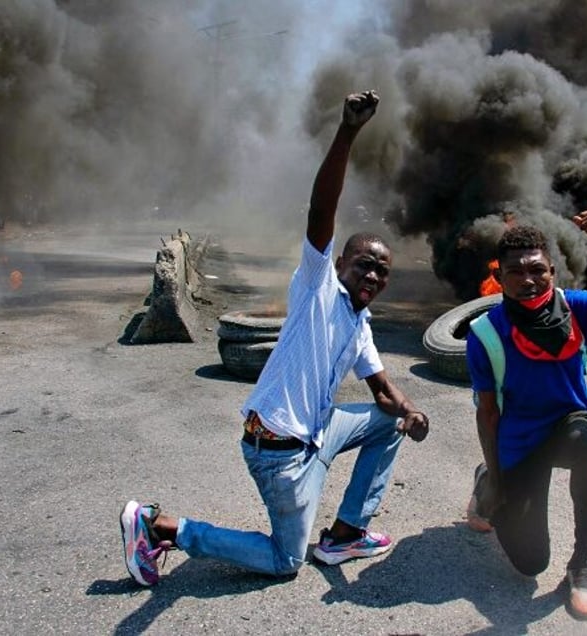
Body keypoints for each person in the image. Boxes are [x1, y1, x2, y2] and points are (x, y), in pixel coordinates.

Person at [120, 90, 430, 587]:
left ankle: (347, 533)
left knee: (386, 423)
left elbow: (381, 391)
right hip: (279, 451)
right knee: (286, 561)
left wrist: (410, 410)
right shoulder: (317, 287)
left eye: (382, 271)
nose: (373, 275)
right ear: (340, 265)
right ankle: (161, 527)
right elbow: (320, 209)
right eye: (363, 265)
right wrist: (348, 130)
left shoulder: (358, 322)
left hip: (315, 435)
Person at [464, 213, 587, 620]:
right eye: (515, 271)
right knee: (529, 564)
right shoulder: (485, 333)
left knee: (585, 439)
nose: (528, 279)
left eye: (537, 269)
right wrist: (499, 480)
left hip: (569, 431)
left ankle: (583, 562)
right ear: (499, 278)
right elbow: (487, 414)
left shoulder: (578, 308)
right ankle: (486, 482)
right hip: (519, 444)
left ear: (553, 271)